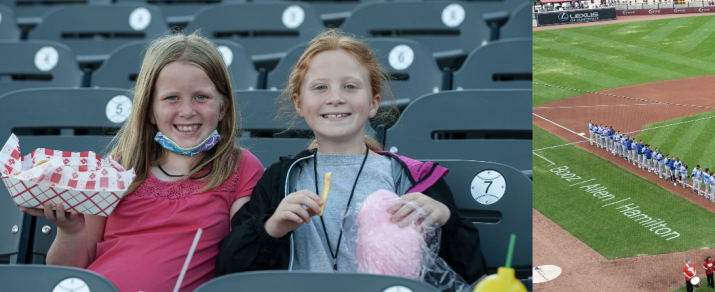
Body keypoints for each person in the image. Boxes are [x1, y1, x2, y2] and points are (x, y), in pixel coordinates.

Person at [217, 29, 485, 281]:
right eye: (320, 87)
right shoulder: (281, 181)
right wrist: (270, 229)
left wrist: (445, 221)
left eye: (350, 87)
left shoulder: (415, 179)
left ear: (374, 103)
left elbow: (470, 273)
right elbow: (230, 270)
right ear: (299, 104)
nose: (335, 98)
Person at [21, 32, 265, 291]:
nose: (187, 111)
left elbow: (242, 258)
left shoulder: (240, 168)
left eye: (201, 97)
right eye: (172, 98)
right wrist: (71, 231)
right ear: (150, 110)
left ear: (223, 108)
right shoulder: (117, 168)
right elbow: (66, 275)